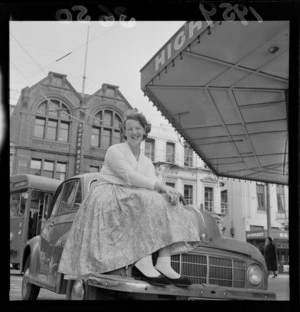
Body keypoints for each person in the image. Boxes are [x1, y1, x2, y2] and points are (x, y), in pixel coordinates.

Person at [58, 109, 201, 287]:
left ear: (144, 131)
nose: (134, 132)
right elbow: (129, 176)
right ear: (124, 132)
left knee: (166, 201)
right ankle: (143, 260)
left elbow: (152, 182)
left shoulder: (146, 161)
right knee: (147, 199)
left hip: (131, 196)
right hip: (108, 195)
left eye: (138, 128)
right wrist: (161, 187)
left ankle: (163, 261)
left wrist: (168, 193)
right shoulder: (114, 151)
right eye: (130, 129)